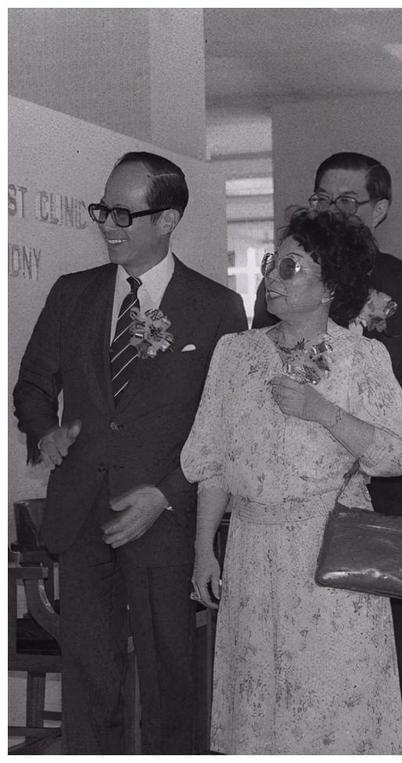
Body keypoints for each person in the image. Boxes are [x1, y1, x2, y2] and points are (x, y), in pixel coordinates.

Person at [13, 151, 247, 754]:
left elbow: (222, 427)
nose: (108, 225)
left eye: (123, 214)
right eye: (103, 210)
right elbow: (32, 385)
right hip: (81, 515)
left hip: (163, 522)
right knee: (91, 681)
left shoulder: (217, 308)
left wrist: (165, 496)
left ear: (167, 220)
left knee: (170, 679)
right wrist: (44, 430)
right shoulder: (73, 293)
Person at [181, 207, 402, 754]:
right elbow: (210, 460)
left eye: (290, 267)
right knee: (259, 715)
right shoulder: (235, 353)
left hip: (331, 551)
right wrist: (203, 551)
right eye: (272, 263)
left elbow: (395, 456)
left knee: (337, 710)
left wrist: (324, 412)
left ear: (331, 285)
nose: (272, 277)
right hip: (250, 553)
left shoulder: (362, 358)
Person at [252, 151, 402, 754]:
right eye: (322, 198)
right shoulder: (282, 280)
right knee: (308, 642)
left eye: (348, 201)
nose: (332, 209)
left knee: (399, 639)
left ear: (380, 209)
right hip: (295, 495)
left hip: (384, 486)